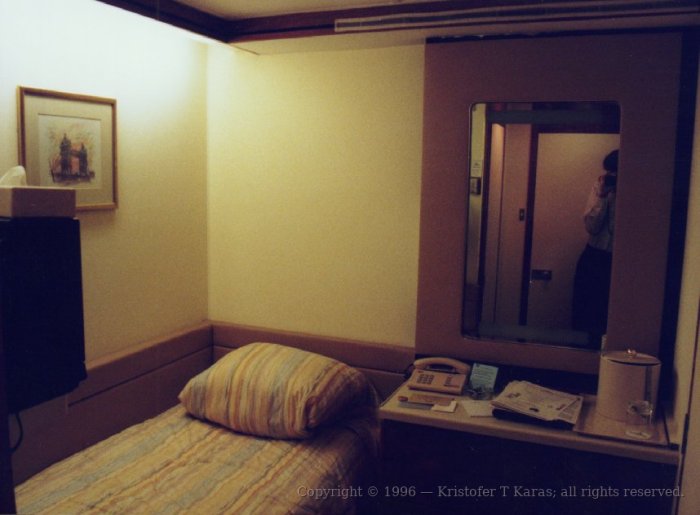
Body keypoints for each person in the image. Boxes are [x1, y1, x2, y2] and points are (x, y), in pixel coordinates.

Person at [572, 149, 618, 346]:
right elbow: (591, 227)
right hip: (593, 257)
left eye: (615, 174)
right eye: (609, 173)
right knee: (585, 313)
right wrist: (602, 197)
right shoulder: (600, 188)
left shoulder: (636, 194)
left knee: (610, 317)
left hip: (618, 262)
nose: (611, 178)